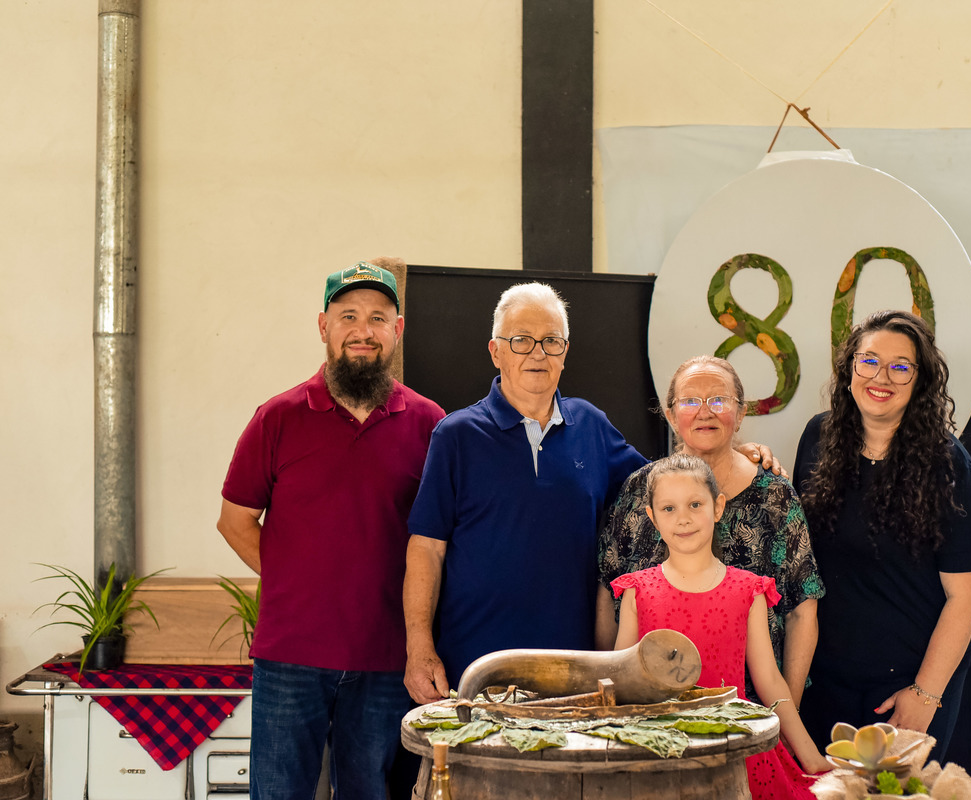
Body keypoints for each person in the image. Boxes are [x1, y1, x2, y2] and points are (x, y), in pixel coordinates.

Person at [403, 284, 785, 704]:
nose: (537, 353)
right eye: (521, 340)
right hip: (474, 662)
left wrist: (728, 453)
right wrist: (419, 647)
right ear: (496, 351)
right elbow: (427, 548)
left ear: (565, 352)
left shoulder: (591, 425)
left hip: (573, 669)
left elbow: (664, 482)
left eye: (551, 341)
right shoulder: (456, 435)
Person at [217, 260, 445, 800]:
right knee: (278, 793)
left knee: (369, 793)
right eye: (348, 317)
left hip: (386, 657)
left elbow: (440, 539)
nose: (363, 331)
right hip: (290, 656)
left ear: (397, 330)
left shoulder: (431, 424)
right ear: (324, 326)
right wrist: (298, 582)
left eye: (377, 318)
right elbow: (234, 520)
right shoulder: (277, 417)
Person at [793, 309, 971, 763]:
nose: (881, 377)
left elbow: (968, 595)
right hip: (825, 678)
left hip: (908, 684)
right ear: (850, 369)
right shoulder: (819, 437)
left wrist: (925, 694)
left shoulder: (948, 464)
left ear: (920, 381)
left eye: (900, 367)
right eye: (869, 361)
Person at [597, 356, 825, 722]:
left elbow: (802, 609)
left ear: (741, 412)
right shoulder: (639, 490)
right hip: (651, 714)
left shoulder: (776, 497)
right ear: (671, 416)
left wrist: (784, 719)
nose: (705, 412)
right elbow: (609, 592)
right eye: (690, 401)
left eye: (719, 400)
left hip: (751, 713)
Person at [612, 454, 822, 799]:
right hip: (659, 752)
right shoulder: (637, 591)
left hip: (736, 749)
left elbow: (769, 680)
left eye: (695, 504)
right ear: (652, 517)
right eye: (668, 508)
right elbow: (620, 680)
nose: (683, 518)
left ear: (718, 507)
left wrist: (810, 756)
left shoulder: (749, 590)